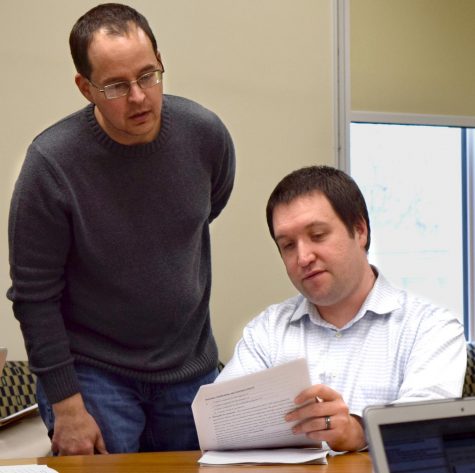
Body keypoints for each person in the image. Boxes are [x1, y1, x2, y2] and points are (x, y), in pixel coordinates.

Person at [7, 3, 235, 455]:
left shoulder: (205, 135)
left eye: (149, 75)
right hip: (94, 373)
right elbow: (35, 298)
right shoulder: (51, 165)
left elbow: (205, 210)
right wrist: (67, 408)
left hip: (189, 366)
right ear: (85, 87)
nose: (138, 96)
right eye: (116, 85)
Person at [216, 165, 466, 452]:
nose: (303, 257)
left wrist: (359, 432)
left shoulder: (431, 327)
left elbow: (423, 430)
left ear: (359, 230)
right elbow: (223, 421)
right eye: (287, 245)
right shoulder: (267, 331)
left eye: (318, 235)